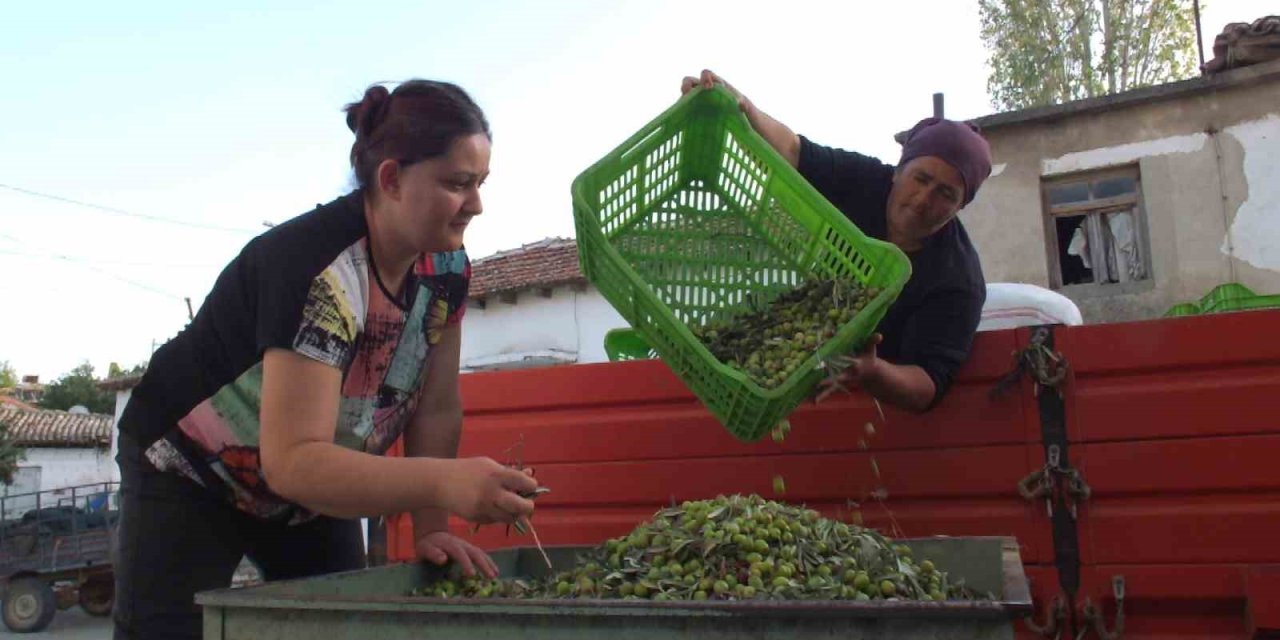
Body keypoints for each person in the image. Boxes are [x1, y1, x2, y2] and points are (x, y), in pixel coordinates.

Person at [111, 79, 540, 639]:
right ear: (391, 179)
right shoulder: (320, 272)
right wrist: (445, 482)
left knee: (338, 625)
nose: (477, 205)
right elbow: (293, 461)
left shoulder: (446, 272)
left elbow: (434, 409)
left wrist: (433, 526)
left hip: (314, 483)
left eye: (481, 183)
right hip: (190, 470)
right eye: (458, 184)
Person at [681, 70, 993, 413]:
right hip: (803, 352)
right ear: (898, 171)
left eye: (945, 194)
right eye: (920, 178)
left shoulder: (958, 279)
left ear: (961, 206)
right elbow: (793, 150)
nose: (922, 200)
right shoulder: (864, 180)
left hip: (870, 407)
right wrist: (737, 104)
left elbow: (927, 383)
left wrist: (872, 372)